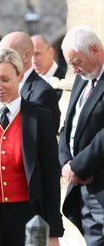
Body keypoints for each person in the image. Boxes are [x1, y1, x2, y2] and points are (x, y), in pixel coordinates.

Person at [0, 48, 64, 246]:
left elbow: (50, 176)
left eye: (5, 79)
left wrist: (53, 231)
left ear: (20, 76)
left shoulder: (39, 117)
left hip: (30, 216)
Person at [59, 25, 104, 245]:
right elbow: (69, 125)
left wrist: (79, 166)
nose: (74, 70)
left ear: (95, 50)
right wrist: (67, 161)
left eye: (77, 62)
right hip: (83, 190)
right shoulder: (82, 78)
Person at [0, 31, 61, 132]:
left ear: (26, 56)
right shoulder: (0, 88)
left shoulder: (43, 93)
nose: (1, 60)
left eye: (8, 54)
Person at [31, 34, 67, 99]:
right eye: (31, 55)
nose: (33, 60)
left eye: (37, 54)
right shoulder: (30, 82)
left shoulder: (66, 79)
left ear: (51, 52)